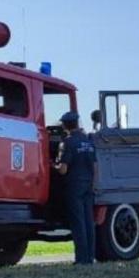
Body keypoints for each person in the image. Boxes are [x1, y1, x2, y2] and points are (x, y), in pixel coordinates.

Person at [54, 111, 97, 264]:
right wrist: (93, 184)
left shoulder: (68, 142)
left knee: (78, 223)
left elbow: (63, 169)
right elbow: (95, 166)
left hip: (74, 186)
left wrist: (54, 165)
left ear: (65, 125)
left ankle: (81, 259)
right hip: (88, 185)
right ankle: (90, 257)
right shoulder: (88, 141)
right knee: (88, 222)